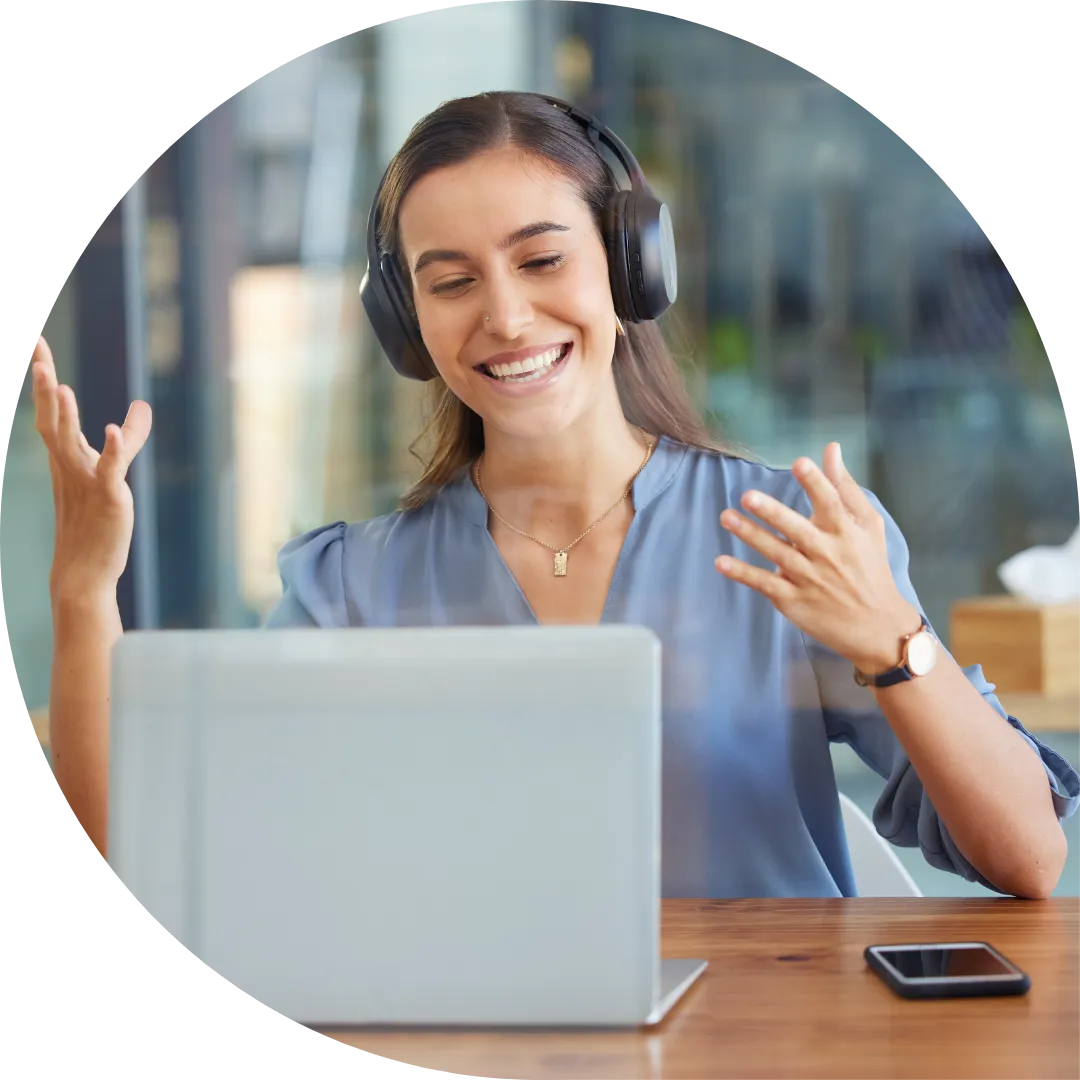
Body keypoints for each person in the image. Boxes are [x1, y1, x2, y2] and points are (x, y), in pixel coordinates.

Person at [33, 91, 1077, 898]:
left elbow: (1029, 860)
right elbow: (138, 849)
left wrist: (894, 639)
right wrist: (85, 595)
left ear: (630, 270)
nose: (506, 316)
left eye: (542, 259)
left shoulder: (794, 539)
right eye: (448, 282)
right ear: (408, 326)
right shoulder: (352, 586)